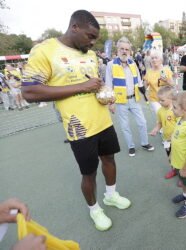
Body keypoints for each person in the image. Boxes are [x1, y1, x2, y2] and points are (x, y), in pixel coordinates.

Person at [22, 10, 131, 231]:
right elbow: (30, 92)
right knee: (88, 173)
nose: (92, 43)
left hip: (102, 120)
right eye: (89, 36)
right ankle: (95, 210)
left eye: (95, 39)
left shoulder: (90, 55)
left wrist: (102, 92)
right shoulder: (45, 50)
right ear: (75, 28)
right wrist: (82, 87)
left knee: (109, 159)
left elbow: (91, 84)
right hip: (79, 128)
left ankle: (111, 195)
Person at [106, 36, 154, 157]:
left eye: (127, 49)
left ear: (130, 50)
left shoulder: (133, 63)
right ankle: (131, 146)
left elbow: (138, 80)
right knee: (125, 126)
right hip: (120, 102)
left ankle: (144, 143)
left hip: (134, 99)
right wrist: (110, 103)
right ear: (117, 50)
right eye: (122, 48)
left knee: (142, 122)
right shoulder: (111, 65)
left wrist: (143, 90)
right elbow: (108, 85)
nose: (124, 51)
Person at [150, 86, 177, 179]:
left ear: (171, 98)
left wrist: (173, 136)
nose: (159, 102)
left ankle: (183, 174)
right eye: (159, 100)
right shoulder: (160, 111)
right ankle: (174, 170)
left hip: (177, 140)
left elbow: (181, 126)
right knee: (170, 156)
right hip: (166, 139)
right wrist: (155, 129)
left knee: (179, 157)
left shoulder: (176, 110)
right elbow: (160, 123)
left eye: (162, 100)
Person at [143, 49, 174, 116]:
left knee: (169, 117)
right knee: (161, 116)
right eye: (152, 58)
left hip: (167, 99)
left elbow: (172, 85)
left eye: (156, 58)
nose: (154, 60)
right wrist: (144, 93)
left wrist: (166, 81)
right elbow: (145, 86)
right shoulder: (149, 72)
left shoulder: (166, 70)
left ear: (161, 60)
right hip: (155, 99)